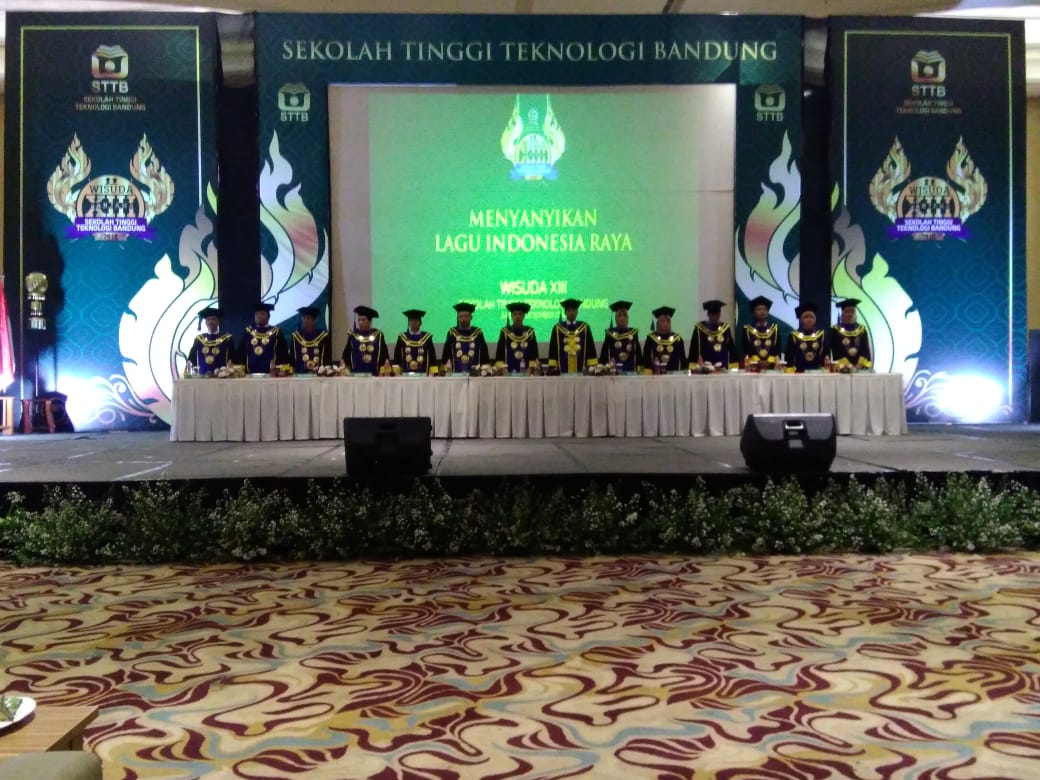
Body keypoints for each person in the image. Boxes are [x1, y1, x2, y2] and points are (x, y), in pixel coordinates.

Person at [547, 298, 597, 374]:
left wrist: (591, 366)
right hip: (562, 372)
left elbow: (590, 349)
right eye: (569, 310)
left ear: (577, 312)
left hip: (582, 371)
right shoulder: (558, 328)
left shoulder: (584, 328)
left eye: (574, 310)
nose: (571, 313)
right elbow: (553, 350)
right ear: (565, 312)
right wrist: (553, 367)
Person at [238, 302, 290, 374]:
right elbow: (241, 353)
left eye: (262, 314)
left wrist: (279, 370)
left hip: (271, 373)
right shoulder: (248, 331)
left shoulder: (276, 332)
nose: (259, 316)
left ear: (268, 317)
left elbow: (282, 353)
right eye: (257, 314)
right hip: (250, 373)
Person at [442, 301, 490, 373]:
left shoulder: (478, 333)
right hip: (455, 375)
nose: (463, 319)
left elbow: (484, 354)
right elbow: (446, 353)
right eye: (461, 317)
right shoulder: (452, 333)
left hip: (476, 374)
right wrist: (443, 369)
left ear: (471, 317)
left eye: (466, 316)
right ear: (458, 318)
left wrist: (486, 369)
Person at [185, 306, 235, 375]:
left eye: (213, 319)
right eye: (208, 319)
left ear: (218, 321)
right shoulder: (199, 339)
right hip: (202, 377)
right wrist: (189, 373)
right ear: (205, 323)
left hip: (222, 377)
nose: (210, 322)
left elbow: (232, 358)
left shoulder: (226, 338)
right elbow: (192, 359)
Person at [690, 299, 737, 370]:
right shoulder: (700, 328)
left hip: (722, 365)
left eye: (717, 314)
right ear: (708, 314)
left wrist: (733, 366)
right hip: (705, 366)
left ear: (719, 314)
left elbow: (731, 348)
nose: (715, 317)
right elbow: (694, 348)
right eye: (712, 314)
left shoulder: (725, 328)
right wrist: (695, 364)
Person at [342, 305, 390, 375]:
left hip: (374, 375)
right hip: (355, 375)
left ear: (369, 321)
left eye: (363, 320)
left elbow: (384, 356)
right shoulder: (353, 335)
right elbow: (346, 356)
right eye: (359, 320)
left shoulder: (378, 335)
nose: (360, 322)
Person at [495, 302, 540, 373]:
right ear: (511, 316)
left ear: (523, 316)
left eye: (520, 314)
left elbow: (534, 352)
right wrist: (502, 368)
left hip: (527, 370)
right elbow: (500, 353)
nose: (517, 317)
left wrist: (531, 368)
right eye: (515, 314)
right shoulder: (505, 332)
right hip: (507, 371)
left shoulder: (529, 332)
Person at [784, 302, 828, 372]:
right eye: (806, 317)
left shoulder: (820, 335)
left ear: (815, 319)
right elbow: (789, 356)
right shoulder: (794, 336)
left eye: (811, 317)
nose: (809, 319)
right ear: (801, 319)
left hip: (817, 372)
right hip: (798, 372)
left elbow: (825, 354)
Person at [830, 298, 873, 370]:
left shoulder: (862, 330)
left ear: (856, 315)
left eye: (852, 311)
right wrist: (847, 365)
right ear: (842, 315)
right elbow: (836, 350)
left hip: (860, 368)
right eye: (847, 312)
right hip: (842, 368)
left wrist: (859, 364)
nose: (850, 314)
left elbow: (865, 350)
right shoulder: (835, 330)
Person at [393, 309, 439, 375]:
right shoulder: (402, 338)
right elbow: (397, 357)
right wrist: (396, 373)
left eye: (416, 320)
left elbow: (432, 357)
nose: (414, 323)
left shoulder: (427, 338)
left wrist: (433, 374)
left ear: (421, 323)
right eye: (411, 320)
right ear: (408, 323)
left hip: (424, 375)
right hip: (405, 376)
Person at [599, 300, 640, 373]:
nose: (622, 318)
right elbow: (604, 355)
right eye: (619, 315)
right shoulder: (610, 333)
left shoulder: (633, 333)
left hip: (631, 373)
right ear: (615, 318)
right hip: (613, 373)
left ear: (628, 318)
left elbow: (638, 354)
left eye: (625, 315)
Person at [642, 306, 686, 373]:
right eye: (663, 321)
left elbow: (682, 359)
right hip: (655, 375)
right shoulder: (651, 339)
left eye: (668, 321)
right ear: (658, 323)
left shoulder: (677, 339)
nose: (666, 323)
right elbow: (646, 359)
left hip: (674, 375)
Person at [741, 295, 781, 369]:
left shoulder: (774, 329)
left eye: (765, 309)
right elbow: (746, 349)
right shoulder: (748, 329)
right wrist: (759, 361)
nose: (762, 312)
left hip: (771, 365)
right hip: (753, 366)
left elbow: (777, 349)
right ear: (754, 312)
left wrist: (769, 361)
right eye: (759, 309)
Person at [290, 305, 331, 374]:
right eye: (303, 318)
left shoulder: (323, 336)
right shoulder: (296, 336)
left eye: (308, 318)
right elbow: (292, 357)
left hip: (319, 374)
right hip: (300, 374)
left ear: (314, 321)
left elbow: (326, 357)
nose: (305, 320)